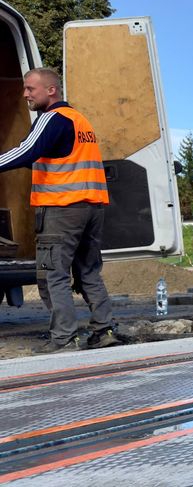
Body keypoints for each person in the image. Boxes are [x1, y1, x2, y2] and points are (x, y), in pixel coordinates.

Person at [0, 68, 119, 353]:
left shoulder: (50, 118)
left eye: (31, 89)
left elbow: (26, 151)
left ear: (51, 90)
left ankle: (64, 338)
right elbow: (47, 158)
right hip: (91, 207)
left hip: (62, 208)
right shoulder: (79, 121)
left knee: (52, 274)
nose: (26, 94)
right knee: (88, 271)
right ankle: (104, 330)